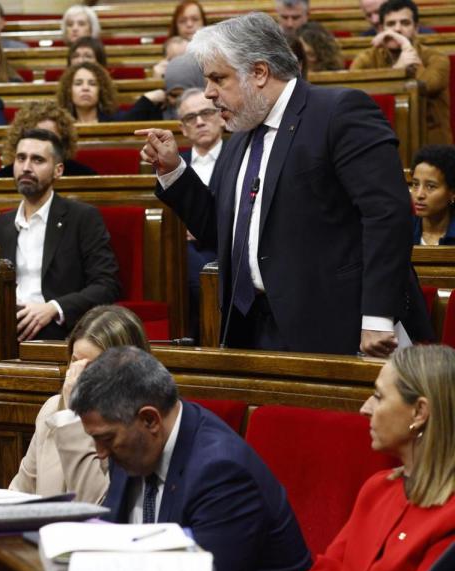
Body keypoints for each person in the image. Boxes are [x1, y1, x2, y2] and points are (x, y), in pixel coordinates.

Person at [138, 12, 429, 356]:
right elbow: (222, 233)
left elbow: (387, 215)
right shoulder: (241, 138)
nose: (208, 93)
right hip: (253, 329)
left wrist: (377, 316)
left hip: (341, 328)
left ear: (259, 72)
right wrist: (174, 171)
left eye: (218, 79)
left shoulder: (339, 112)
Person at [71, 346, 312, 571]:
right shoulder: (130, 444)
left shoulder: (221, 472)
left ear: (150, 420)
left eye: (106, 439)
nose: (100, 452)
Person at [306, 345, 455, 571]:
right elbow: (328, 569)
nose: (365, 408)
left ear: (419, 412)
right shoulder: (377, 489)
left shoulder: (449, 519)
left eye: (379, 396)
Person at [0, 129, 120, 342]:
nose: (26, 167)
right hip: (6, 326)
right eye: (21, 158)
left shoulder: (82, 217)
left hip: (59, 329)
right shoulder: (0, 225)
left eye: (37, 160)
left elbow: (106, 285)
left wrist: (54, 308)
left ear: (58, 170)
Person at [10, 305, 149, 503]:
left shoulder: (135, 426)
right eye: (75, 362)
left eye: (91, 368)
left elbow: (95, 509)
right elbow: (20, 493)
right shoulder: (53, 409)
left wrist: (70, 419)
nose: (78, 376)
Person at [351, 0, 451, 146]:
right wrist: (398, 69)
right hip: (380, 139)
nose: (397, 29)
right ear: (381, 29)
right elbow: (353, 94)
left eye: (405, 23)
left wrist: (406, 47)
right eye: (391, 24)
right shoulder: (366, 59)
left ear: (416, 28)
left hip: (429, 142)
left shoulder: (437, 58)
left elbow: (429, 86)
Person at [175, 88, 227, 340]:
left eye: (206, 112)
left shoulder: (238, 156)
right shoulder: (173, 163)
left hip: (222, 248)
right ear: (183, 128)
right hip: (178, 249)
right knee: (181, 256)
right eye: (190, 117)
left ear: (220, 117)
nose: (199, 121)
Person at [0, 101, 97, 177]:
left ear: (63, 142)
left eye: (51, 137)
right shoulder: (5, 176)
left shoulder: (84, 175)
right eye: (36, 136)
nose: (42, 144)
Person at [410, 145, 455, 245]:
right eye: (415, 184)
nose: (419, 195)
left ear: (452, 193)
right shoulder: (401, 230)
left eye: (430, 186)